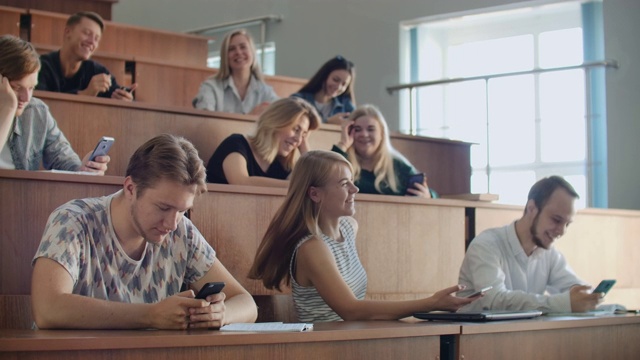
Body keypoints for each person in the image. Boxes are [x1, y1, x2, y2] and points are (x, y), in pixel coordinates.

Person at [31, 134, 258, 329]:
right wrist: (152, 315)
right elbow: (48, 309)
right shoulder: (74, 220)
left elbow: (245, 303)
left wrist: (220, 315)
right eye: (163, 207)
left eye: (183, 211)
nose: (172, 223)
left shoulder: (183, 232)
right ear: (130, 188)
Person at [248, 150, 478, 322]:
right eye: (344, 184)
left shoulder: (349, 228)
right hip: (323, 347)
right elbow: (351, 309)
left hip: (353, 339)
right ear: (315, 194)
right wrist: (431, 303)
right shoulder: (312, 248)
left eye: (353, 182)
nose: (355, 190)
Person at [457, 176, 603, 313]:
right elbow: (494, 300)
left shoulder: (549, 253)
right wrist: (564, 303)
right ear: (531, 208)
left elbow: (572, 286)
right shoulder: (487, 245)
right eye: (557, 220)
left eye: (567, 224)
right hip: (477, 337)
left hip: (523, 337)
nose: (562, 231)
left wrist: (585, 296)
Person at [0, 34, 109, 173]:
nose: (26, 97)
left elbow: (63, 158)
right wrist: (8, 108)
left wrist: (83, 169)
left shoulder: (37, 111)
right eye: (16, 88)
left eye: (31, 88)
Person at [206, 97, 319, 188]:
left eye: (304, 135)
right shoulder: (236, 143)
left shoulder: (280, 164)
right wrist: (294, 186)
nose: (299, 140)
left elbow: (306, 186)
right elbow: (240, 182)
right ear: (276, 122)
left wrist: (305, 150)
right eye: (296, 129)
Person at [332, 104, 436, 198]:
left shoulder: (398, 166)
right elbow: (325, 179)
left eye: (370, 129)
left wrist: (429, 196)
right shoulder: (343, 162)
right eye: (357, 129)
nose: (364, 134)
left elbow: (433, 195)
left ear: (382, 134)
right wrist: (343, 144)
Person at [36, 11, 137, 101]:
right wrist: (85, 94)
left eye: (96, 39)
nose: (92, 42)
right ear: (68, 32)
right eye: (87, 33)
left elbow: (116, 96)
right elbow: (41, 107)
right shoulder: (41, 66)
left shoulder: (98, 72)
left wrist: (124, 98)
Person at [193, 29, 278, 115]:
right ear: (225, 56)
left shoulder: (265, 91)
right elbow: (204, 123)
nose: (238, 52)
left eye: (243, 47)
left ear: (252, 52)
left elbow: (283, 115)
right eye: (231, 49)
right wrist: (250, 117)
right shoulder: (210, 88)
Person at [291, 56, 355, 125]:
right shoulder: (298, 100)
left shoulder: (346, 106)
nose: (339, 87)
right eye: (335, 80)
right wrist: (327, 121)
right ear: (324, 76)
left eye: (344, 84)